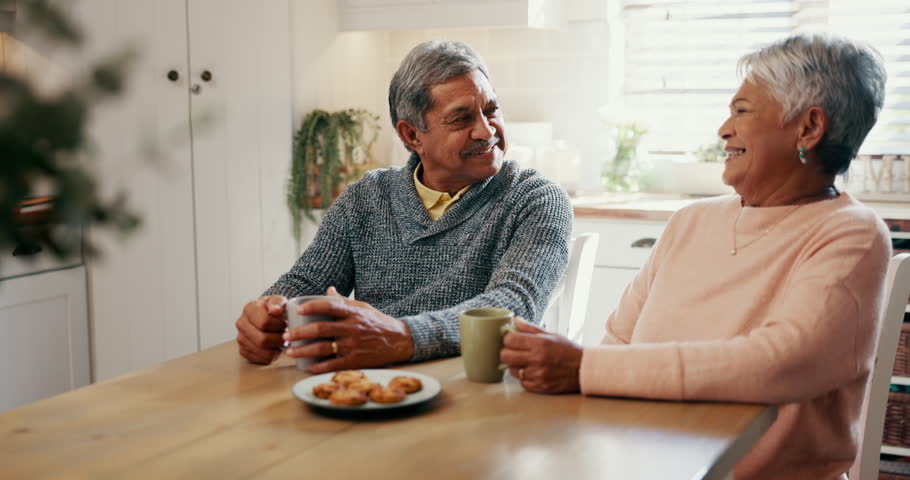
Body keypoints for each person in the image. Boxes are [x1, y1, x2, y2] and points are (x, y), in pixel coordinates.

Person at [501, 34, 890, 480]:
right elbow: (619, 341)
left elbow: (781, 363)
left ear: (808, 128)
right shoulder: (691, 221)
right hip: (640, 463)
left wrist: (582, 367)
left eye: (742, 111)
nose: (724, 130)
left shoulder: (851, 233)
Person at [235, 39, 572, 374]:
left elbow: (514, 306)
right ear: (412, 136)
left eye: (491, 110)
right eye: (461, 118)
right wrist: (267, 313)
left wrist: (400, 336)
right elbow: (305, 282)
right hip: (375, 389)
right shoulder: (365, 199)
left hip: (478, 391)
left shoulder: (536, 198)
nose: (486, 130)